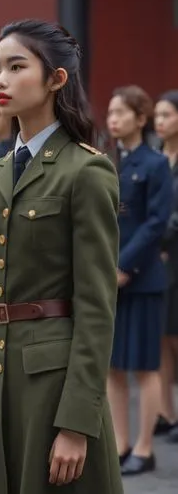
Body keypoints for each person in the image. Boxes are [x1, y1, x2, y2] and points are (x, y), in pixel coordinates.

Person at [0, 19, 123, 494]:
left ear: (56, 79)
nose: (0, 80)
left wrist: (77, 421)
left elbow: (96, 306)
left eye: (15, 66)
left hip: (53, 385)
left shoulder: (86, 171)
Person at [106, 85, 172, 475]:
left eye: (121, 112)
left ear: (140, 118)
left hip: (142, 279)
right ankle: (120, 443)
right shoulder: (110, 162)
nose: (112, 118)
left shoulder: (154, 163)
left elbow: (156, 223)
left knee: (145, 367)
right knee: (113, 366)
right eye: (110, 112)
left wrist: (125, 267)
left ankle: (145, 449)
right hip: (109, 276)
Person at [154, 90, 178, 442]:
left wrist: (159, 234)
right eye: (156, 115)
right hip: (159, 259)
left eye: (167, 115)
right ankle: (165, 412)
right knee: (160, 337)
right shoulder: (158, 158)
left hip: (174, 253)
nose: (160, 122)